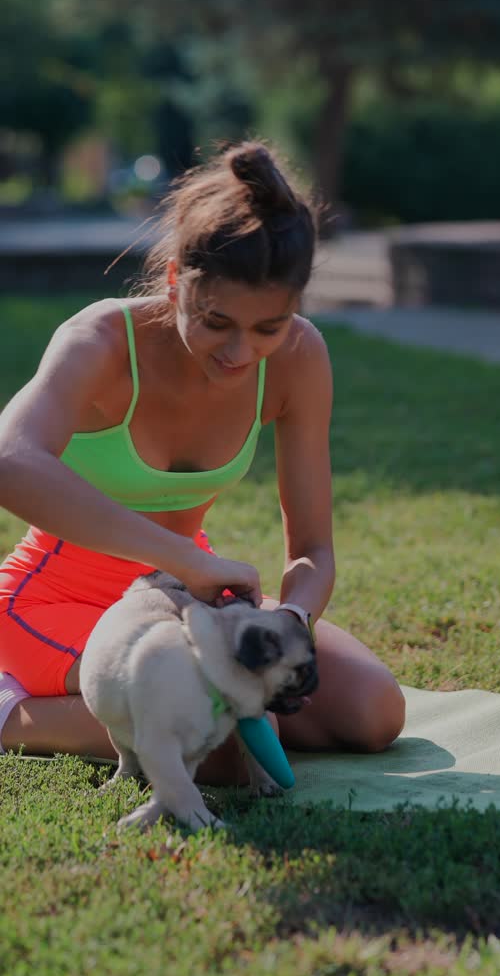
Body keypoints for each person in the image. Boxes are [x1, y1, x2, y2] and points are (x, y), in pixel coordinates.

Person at [0, 142, 405, 783]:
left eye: (268, 327)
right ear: (173, 281)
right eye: (217, 321)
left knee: (373, 713)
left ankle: (141, 702)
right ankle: (13, 712)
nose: (241, 352)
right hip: (50, 602)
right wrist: (187, 560)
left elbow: (312, 551)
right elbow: (9, 459)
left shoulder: (299, 359)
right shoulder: (101, 342)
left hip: (187, 604)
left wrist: (289, 624)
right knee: (221, 743)